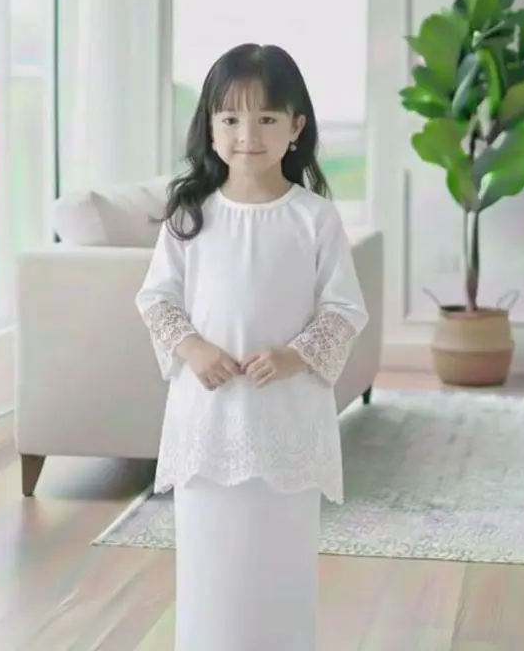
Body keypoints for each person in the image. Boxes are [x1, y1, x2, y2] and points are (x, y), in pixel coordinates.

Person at [135, 42, 369, 651]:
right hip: (208, 423)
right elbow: (157, 299)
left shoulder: (314, 218)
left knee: (278, 564)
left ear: (296, 127)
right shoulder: (191, 214)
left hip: (286, 422)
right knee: (211, 568)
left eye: (267, 118)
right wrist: (192, 348)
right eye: (231, 118)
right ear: (210, 127)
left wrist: (294, 356)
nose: (248, 134)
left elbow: (344, 310)